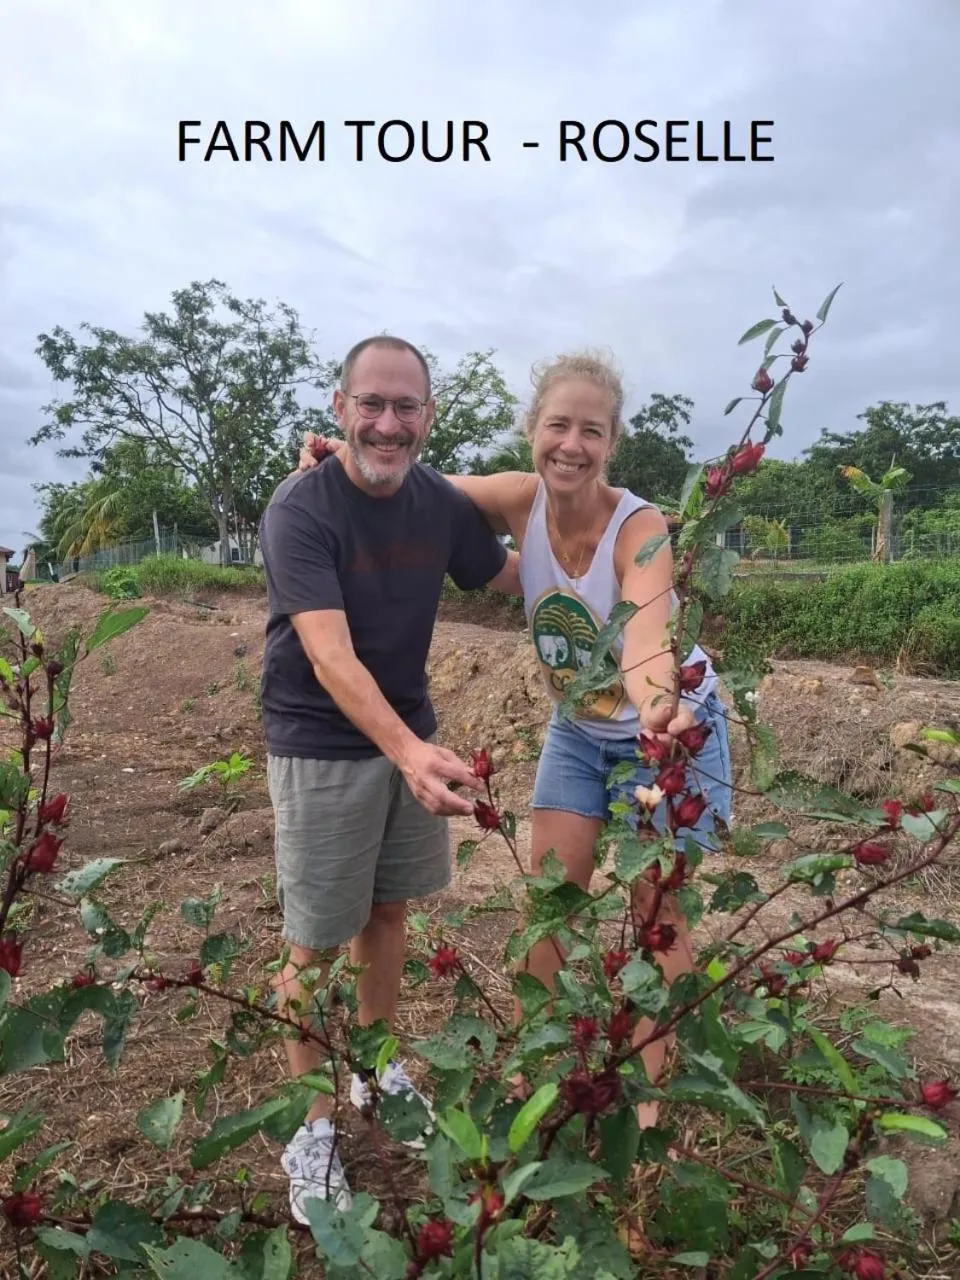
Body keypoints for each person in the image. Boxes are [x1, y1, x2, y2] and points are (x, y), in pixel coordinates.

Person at [299, 349, 733, 1129]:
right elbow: (403, 480)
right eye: (557, 426)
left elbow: (646, 643)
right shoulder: (515, 498)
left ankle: (651, 1111)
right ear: (532, 431)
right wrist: (335, 458)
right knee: (547, 904)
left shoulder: (642, 529)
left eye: (591, 432)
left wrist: (664, 709)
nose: (572, 444)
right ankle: (554, 1080)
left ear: (612, 443)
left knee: (655, 909)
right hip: (577, 727)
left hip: (660, 732)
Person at [258, 334, 521, 1222]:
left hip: (407, 735)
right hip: (322, 745)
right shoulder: (301, 507)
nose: (387, 421)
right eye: (370, 403)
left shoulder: (439, 505)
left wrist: (620, 568)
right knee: (313, 939)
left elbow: (513, 577)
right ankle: (312, 1129)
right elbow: (328, 657)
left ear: (427, 418)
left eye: (406, 406)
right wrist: (411, 753)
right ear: (339, 409)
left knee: (388, 911)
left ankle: (374, 1072)